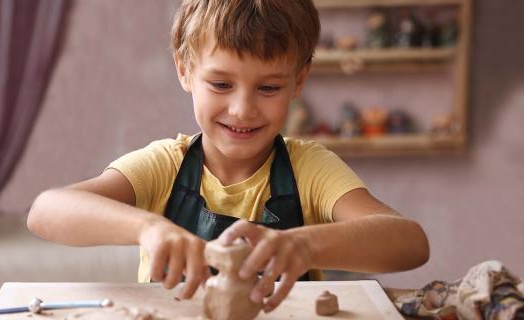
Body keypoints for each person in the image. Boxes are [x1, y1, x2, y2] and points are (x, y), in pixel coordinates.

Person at [27, 0, 430, 313]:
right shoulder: (164, 166)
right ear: (185, 70)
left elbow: (410, 243)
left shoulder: (310, 169)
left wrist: (305, 246)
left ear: (299, 81)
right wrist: (148, 228)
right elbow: (47, 210)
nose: (242, 109)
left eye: (269, 88)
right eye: (221, 84)